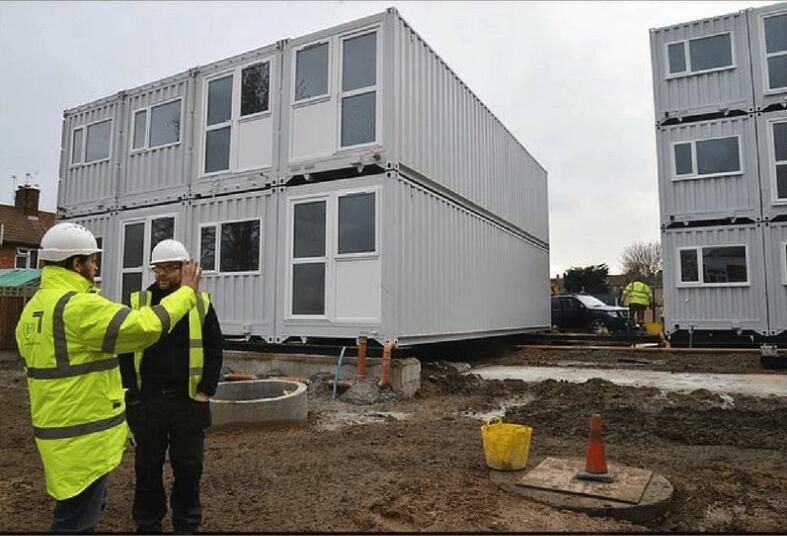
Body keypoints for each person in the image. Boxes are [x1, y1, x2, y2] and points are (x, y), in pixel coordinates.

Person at [15, 223, 202, 533]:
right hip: (83, 439)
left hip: (58, 433)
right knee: (74, 522)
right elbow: (143, 327)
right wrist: (185, 295)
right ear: (77, 264)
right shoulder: (76, 306)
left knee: (80, 511)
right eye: (92, 260)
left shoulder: (33, 309)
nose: (96, 266)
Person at [119, 239, 223, 534]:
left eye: (169, 269)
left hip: (188, 403)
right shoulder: (138, 303)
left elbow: (215, 349)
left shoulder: (201, 305)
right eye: (157, 269)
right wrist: (133, 397)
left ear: (184, 269)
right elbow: (124, 354)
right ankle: (148, 524)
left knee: (189, 469)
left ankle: (187, 523)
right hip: (149, 403)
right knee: (147, 469)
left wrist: (205, 391)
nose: (162, 275)